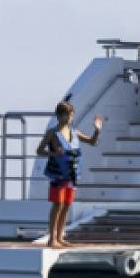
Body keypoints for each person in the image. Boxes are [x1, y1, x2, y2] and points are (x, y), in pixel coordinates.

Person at [36, 101, 102, 250]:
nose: (70, 117)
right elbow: (39, 150)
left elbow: (92, 142)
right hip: (58, 174)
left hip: (71, 174)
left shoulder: (74, 132)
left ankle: (60, 237)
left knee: (66, 205)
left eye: (71, 114)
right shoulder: (52, 133)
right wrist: (53, 153)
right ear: (59, 116)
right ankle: (52, 239)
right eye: (67, 114)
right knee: (57, 204)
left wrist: (97, 130)